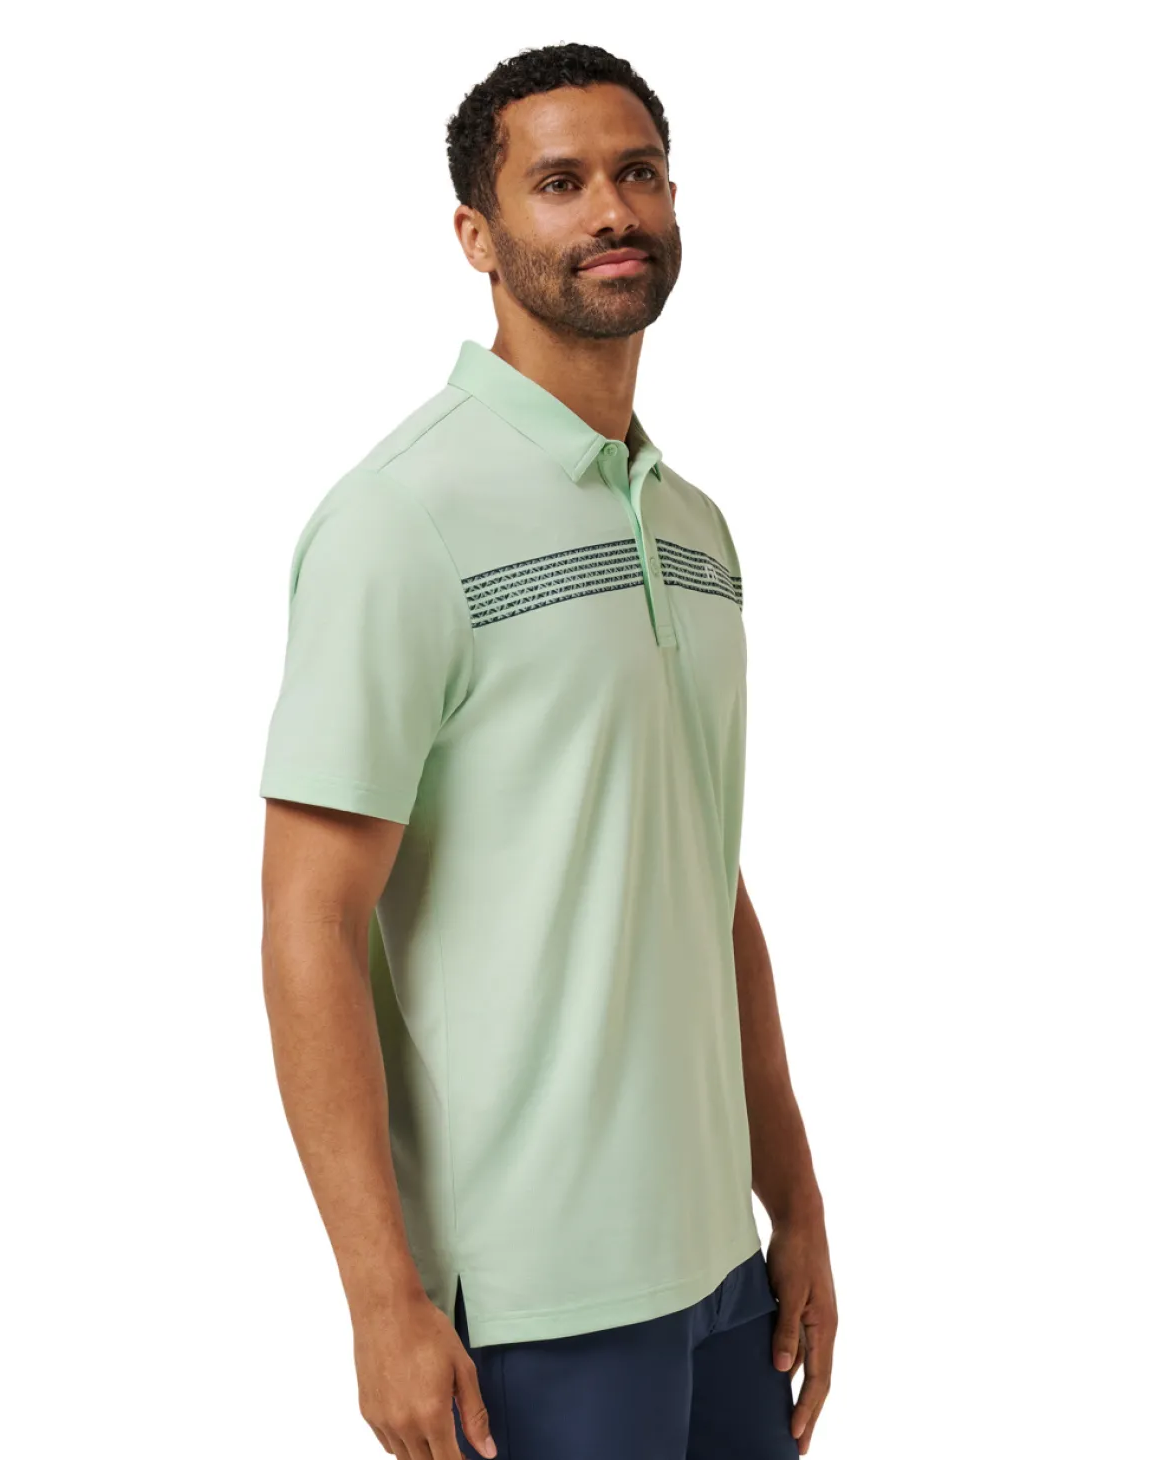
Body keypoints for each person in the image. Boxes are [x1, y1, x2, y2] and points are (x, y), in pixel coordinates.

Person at [258, 41, 836, 1460]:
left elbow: (706, 880)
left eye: (639, 173)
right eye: (561, 182)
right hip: (531, 1300)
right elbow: (307, 919)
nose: (612, 210)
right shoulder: (401, 520)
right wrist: (379, 1298)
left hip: (722, 1274)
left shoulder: (693, 525)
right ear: (478, 233)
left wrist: (796, 1202)